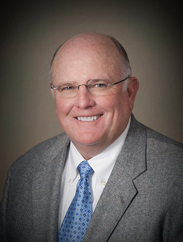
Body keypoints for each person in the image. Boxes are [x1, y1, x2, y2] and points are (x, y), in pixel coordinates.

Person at [0, 32, 183, 242]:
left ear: (130, 92)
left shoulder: (177, 175)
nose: (83, 102)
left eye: (99, 85)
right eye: (68, 87)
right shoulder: (23, 173)